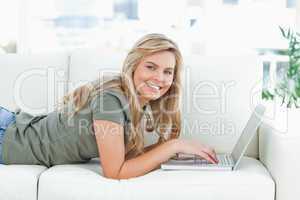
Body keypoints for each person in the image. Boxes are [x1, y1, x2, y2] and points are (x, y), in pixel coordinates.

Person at [0, 33, 218, 179]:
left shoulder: (134, 101)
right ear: (133, 67)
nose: (160, 78)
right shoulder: (112, 99)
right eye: (151, 67)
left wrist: (176, 151)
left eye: (167, 72)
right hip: (7, 137)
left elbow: (124, 156)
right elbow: (115, 170)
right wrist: (173, 147)